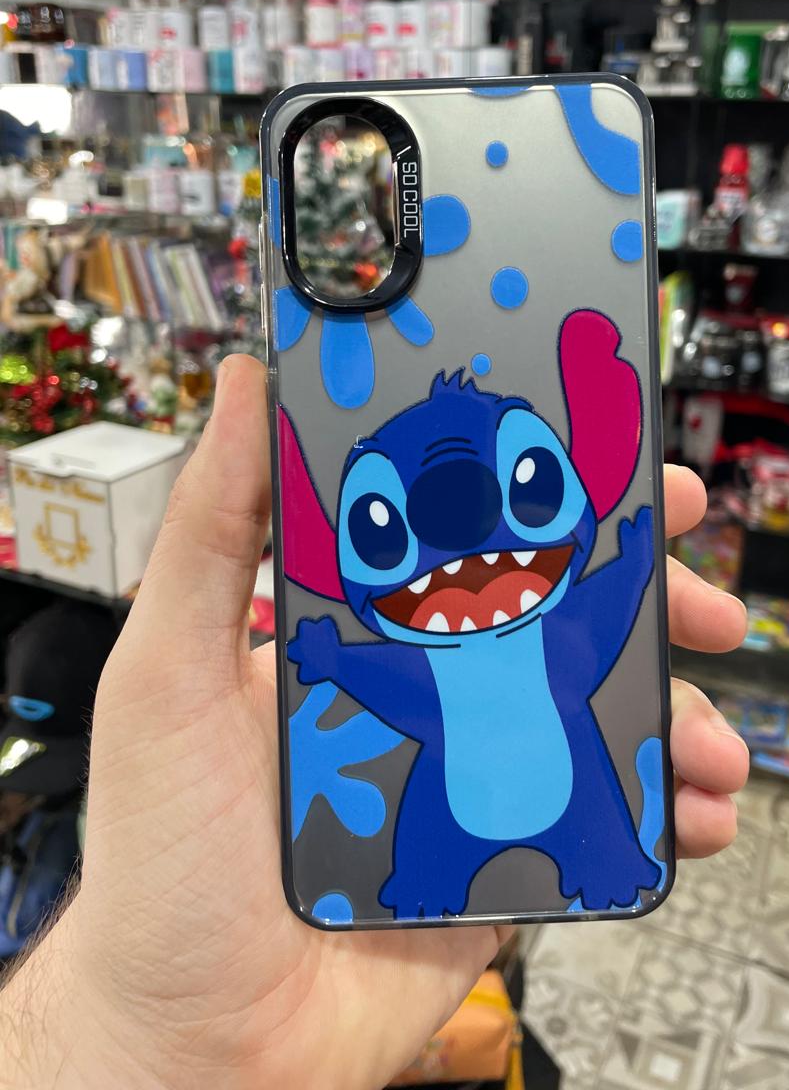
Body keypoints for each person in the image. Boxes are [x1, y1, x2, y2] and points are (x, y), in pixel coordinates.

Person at [0, 356, 749, 1089]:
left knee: (586, 808)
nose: (466, 534)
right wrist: (335, 662)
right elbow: (401, 685)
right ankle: (445, 873)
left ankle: (593, 860)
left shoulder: (551, 638)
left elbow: (598, 621)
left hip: (561, 786)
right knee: (439, 832)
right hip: (447, 812)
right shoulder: (450, 654)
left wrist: (633, 567)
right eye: (382, 526)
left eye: (528, 484)